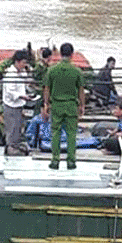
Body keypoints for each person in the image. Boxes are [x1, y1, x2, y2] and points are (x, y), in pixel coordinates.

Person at [43, 42, 85, 170]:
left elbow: (47, 88)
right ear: (72, 55)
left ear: (60, 54)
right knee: (71, 134)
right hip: (72, 105)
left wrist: (46, 104)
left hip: (56, 105)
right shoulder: (77, 71)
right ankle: (71, 161)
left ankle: (55, 161)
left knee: (55, 133)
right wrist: (82, 105)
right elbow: (81, 90)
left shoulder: (52, 70)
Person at [0, 49, 31, 155]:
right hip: (11, 104)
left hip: (20, 104)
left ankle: (16, 145)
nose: (24, 65)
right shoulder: (10, 73)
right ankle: (10, 148)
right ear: (17, 62)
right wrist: (21, 96)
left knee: (18, 127)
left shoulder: (22, 72)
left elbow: (25, 84)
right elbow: (10, 92)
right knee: (11, 127)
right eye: (23, 62)